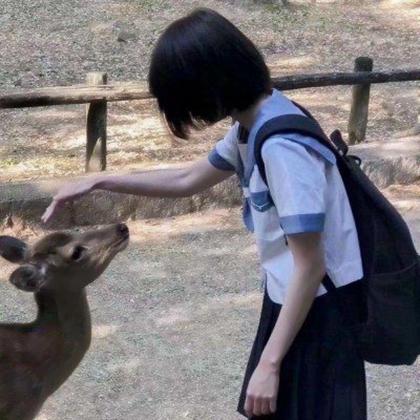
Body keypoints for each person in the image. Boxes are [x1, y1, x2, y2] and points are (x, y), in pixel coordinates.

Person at [42, 8, 367, 420]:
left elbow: (310, 265)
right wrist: (100, 181)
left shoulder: (282, 148)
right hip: (290, 302)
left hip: (320, 314)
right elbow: (187, 179)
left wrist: (270, 364)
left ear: (208, 85)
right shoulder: (253, 123)